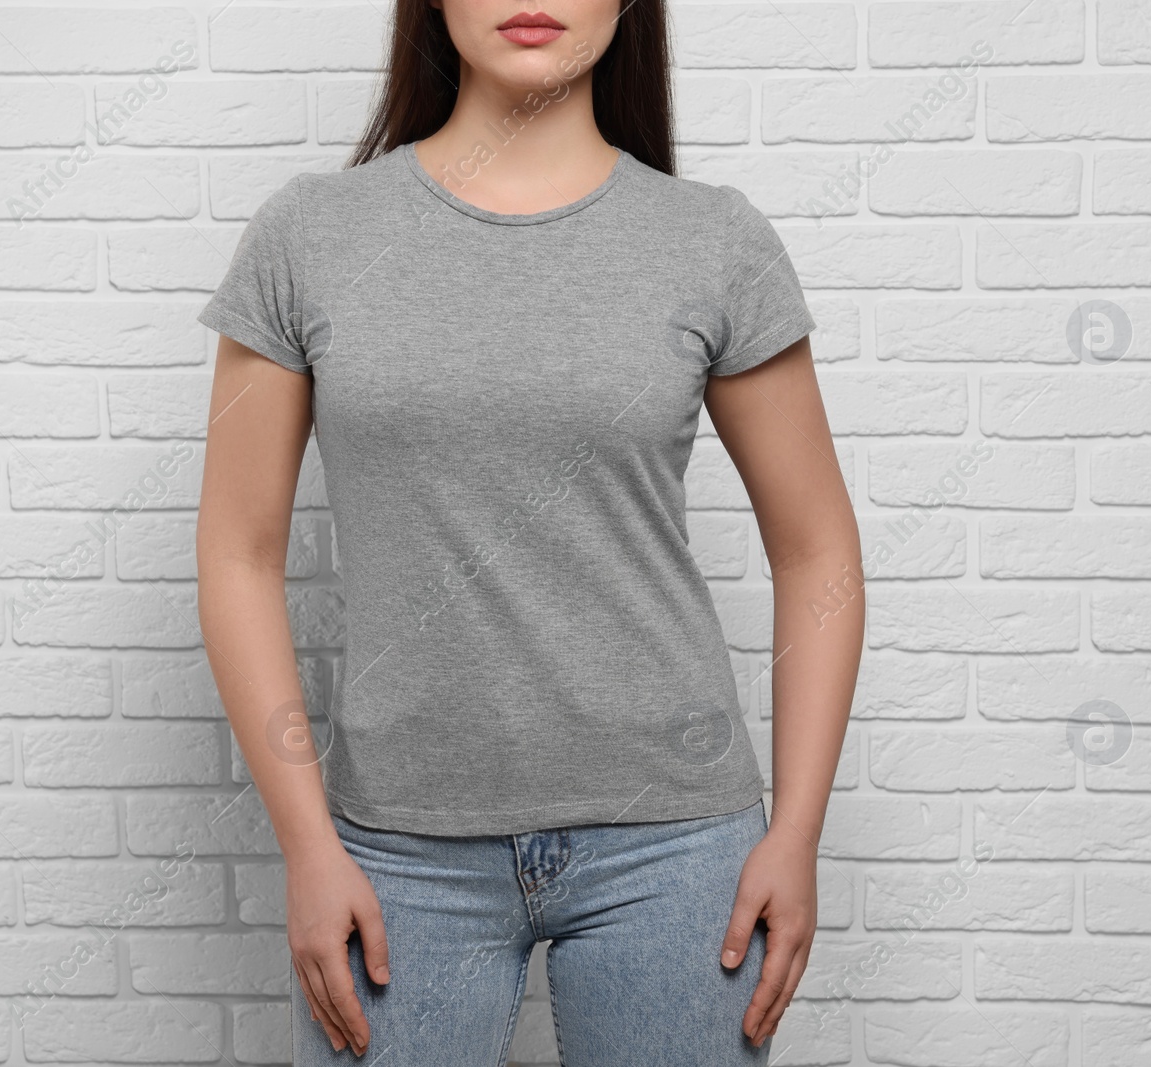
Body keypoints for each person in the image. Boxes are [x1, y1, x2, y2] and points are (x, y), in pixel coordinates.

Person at [193, 0, 864, 1061]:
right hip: (395, 853)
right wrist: (305, 842)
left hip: (676, 849)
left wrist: (797, 829)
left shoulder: (713, 240)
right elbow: (237, 555)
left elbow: (817, 547)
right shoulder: (310, 236)